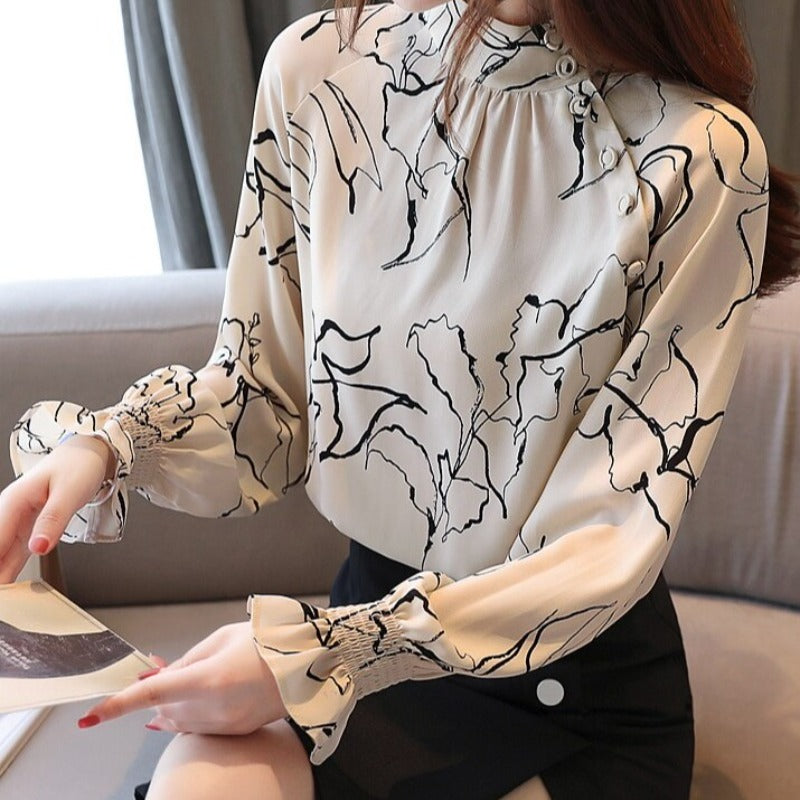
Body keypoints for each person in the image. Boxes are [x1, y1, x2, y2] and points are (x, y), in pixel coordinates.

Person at [1, 1, 798, 798]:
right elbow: (262, 403)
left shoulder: (698, 152)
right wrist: (108, 446)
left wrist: (314, 658)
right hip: (364, 644)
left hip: (566, 682)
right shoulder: (317, 70)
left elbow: (609, 533)